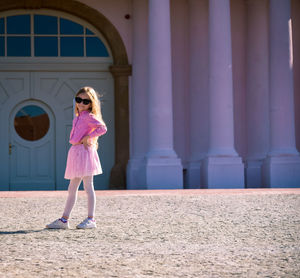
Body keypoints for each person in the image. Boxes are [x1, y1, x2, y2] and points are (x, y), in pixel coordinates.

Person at [46, 87, 107, 229]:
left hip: (85, 152)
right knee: (72, 187)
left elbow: (103, 128)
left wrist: (88, 137)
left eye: (86, 101)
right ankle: (64, 220)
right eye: (79, 100)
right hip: (76, 152)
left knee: (88, 186)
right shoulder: (78, 117)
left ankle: (91, 219)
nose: (81, 104)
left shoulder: (89, 117)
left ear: (91, 104)